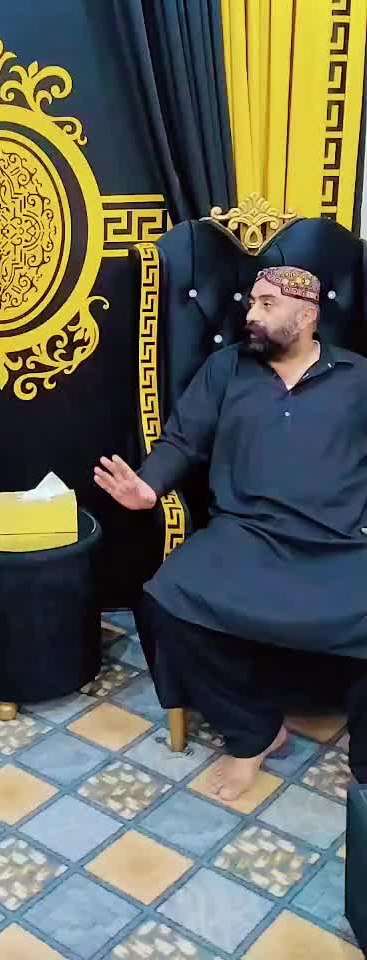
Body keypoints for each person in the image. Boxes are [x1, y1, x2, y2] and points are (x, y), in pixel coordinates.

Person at [95, 265, 367, 803]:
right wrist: (148, 488)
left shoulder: (358, 377)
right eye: (250, 303)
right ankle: (254, 730)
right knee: (167, 599)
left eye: (267, 304)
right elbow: (182, 440)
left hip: (341, 541)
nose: (251, 315)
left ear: (307, 315)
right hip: (246, 535)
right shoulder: (226, 368)